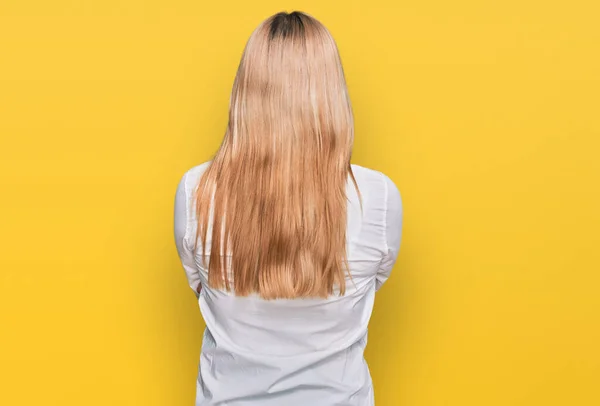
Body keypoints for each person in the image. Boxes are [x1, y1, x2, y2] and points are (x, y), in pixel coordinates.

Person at [174, 10, 403, 406]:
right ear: (332, 91)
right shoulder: (378, 198)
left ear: (245, 92)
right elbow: (374, 281)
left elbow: (200, 287)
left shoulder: (196, 191)